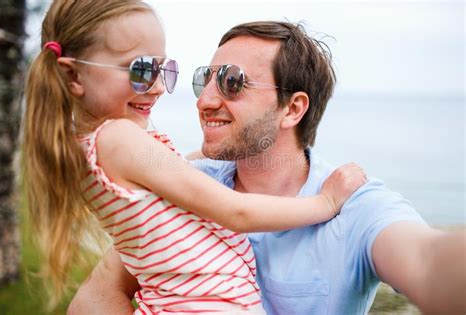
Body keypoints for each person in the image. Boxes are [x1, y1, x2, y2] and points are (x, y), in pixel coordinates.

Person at [67, 20, 466, 315]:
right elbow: (95, 298)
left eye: (232, 82)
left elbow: (429, 261)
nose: (204, 100)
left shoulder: (354, 204)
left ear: (293, 108)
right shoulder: (188, 185)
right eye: (204, 79)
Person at [22, 1, 367, 314]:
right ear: (73, 75)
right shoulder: (119, 139)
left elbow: (163, 172)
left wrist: (213, 148)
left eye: (162, 69)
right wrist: (326, 200)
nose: (157, 87)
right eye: (140, 70)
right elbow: (237, 211)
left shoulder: (88, 148)